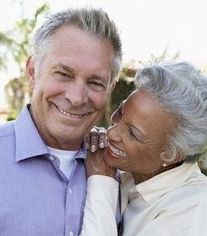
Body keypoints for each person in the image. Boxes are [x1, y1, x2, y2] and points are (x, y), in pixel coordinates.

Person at [0, 7, 122, 235]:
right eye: (64, 74)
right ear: (32, 71)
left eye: (95, 82)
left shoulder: (122, 171)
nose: (76, 99)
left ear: (110, 89)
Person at [85, 61, 207, 236]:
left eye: (133, 134)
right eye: (120, 112)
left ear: (171, 154)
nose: (112, 134)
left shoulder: (195, 208)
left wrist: (101, 182)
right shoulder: (129, 175)